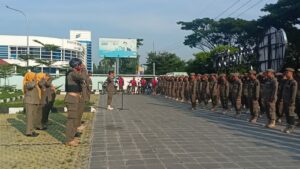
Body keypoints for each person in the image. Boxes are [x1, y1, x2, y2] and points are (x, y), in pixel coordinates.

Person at [64, 58, 85, 146]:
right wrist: (83, 69)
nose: (81, 66)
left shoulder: (73, 73)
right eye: (80, 65)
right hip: (72, 99)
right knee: (71, 120)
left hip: (75, 99)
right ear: (76, 66)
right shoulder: (72, 73)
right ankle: (69, 140)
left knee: (74, 119)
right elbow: (83, 77)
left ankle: (72, 138)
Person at [23, 71, 40, 137]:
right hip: (29, 102)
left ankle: (32, 130)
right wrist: (35, 81)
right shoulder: (27, 83)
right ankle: (28, 132)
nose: (36, 77)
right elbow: (31, 86)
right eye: (34, 76)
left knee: (33, 118)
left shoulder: (34, 83)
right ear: (30, 77)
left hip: (34, 102)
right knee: (29, 118)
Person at [282, 68, 298, 133]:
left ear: (291, 73)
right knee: (287, 114)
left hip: (290, 101)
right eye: (285, 72)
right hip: (285, 100)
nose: (286, 74)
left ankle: (291, 127)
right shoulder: (286, 81)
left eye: (287, 72)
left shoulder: (293, 82)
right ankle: (288, 126)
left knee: (291, 114)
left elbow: (293, 93)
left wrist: (291, 102)